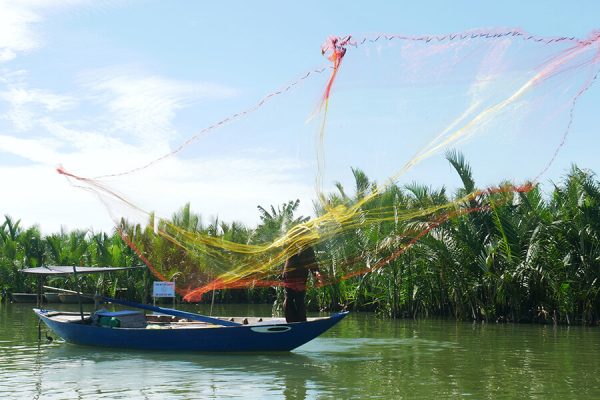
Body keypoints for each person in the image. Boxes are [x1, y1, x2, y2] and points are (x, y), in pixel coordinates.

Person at [283, 246, 322, 323]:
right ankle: (295, 323)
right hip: (291, 277)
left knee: (297, 300)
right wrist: (316, 273)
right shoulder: (292, 244)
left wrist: (316, 274)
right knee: (291, 300)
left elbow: (312, 264)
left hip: (297, 277)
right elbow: (313, 264)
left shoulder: (306, 247)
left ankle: (300, 323)